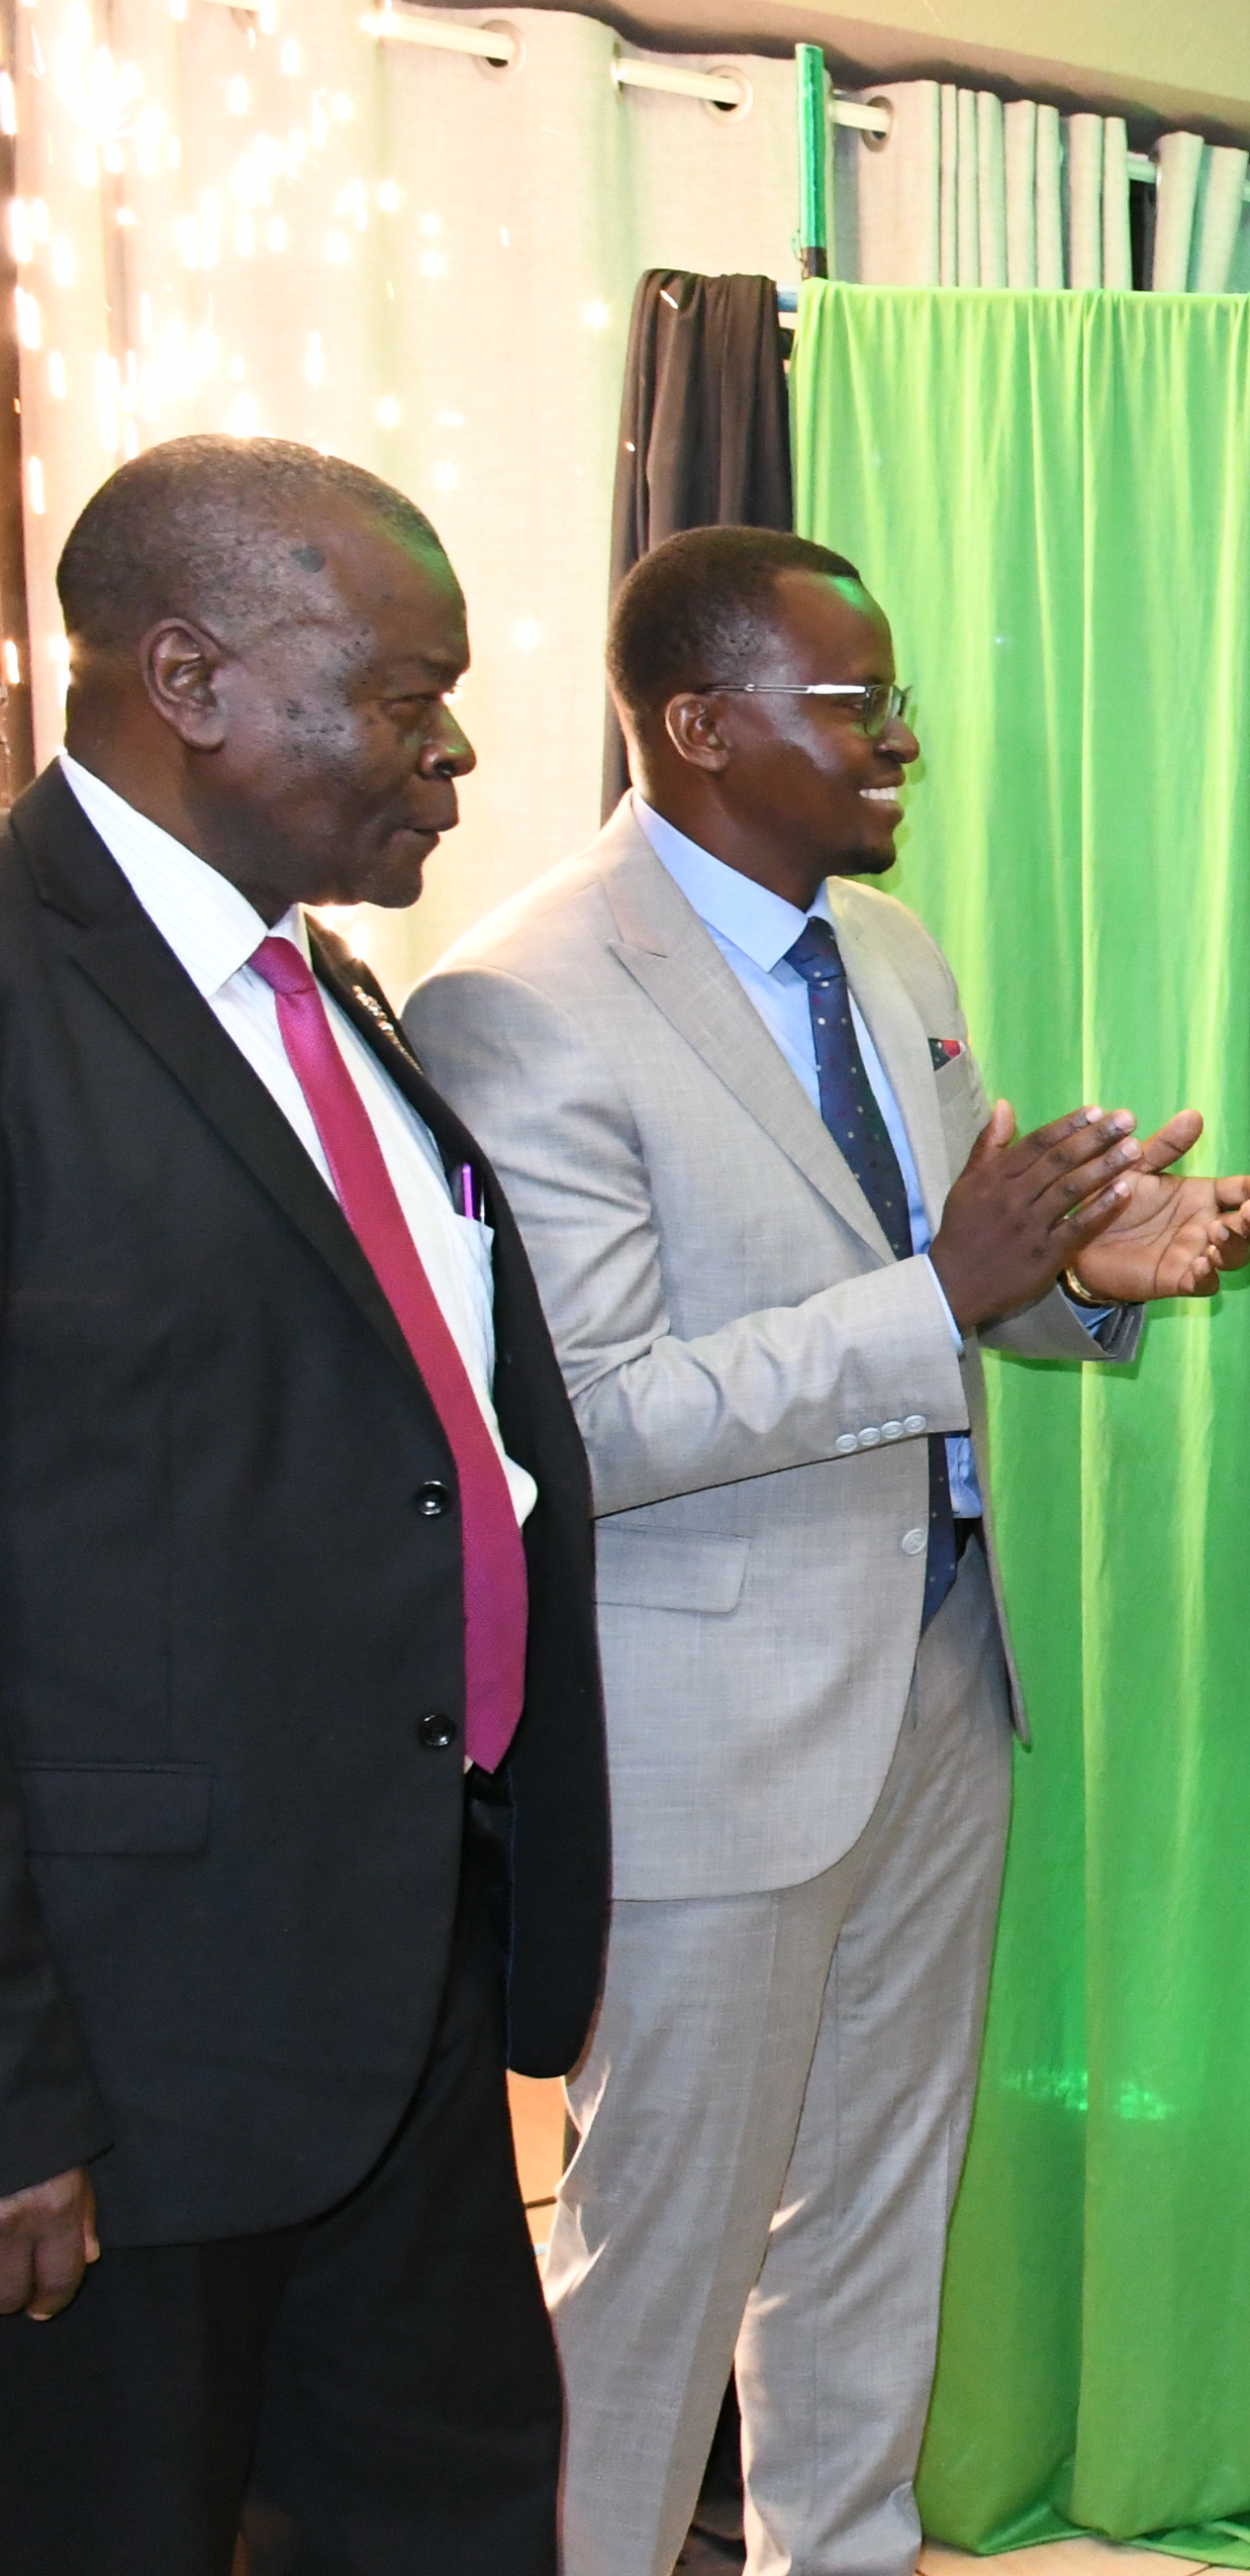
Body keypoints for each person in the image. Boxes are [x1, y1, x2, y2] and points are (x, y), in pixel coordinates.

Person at [404, 526, 1250, 2576]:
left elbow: (953, 1285)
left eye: (899, 702)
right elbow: (591, 1422)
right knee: (661, 2254)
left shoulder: (892, 955)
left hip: (942, 1671)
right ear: (699, 727)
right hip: (712, 1722)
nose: (900, 743)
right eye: (853, 703)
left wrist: (1092, 1277)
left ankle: (846, 2549)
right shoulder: (521, 1001)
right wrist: (952, 1288)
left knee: (882, 2209)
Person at [0, 435, 610, 2567]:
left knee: (451, 2519)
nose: (447, 751)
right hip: (123, 2066)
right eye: (402, 689)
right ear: (189, 677)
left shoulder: (326, 997)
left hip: (397, 1997)